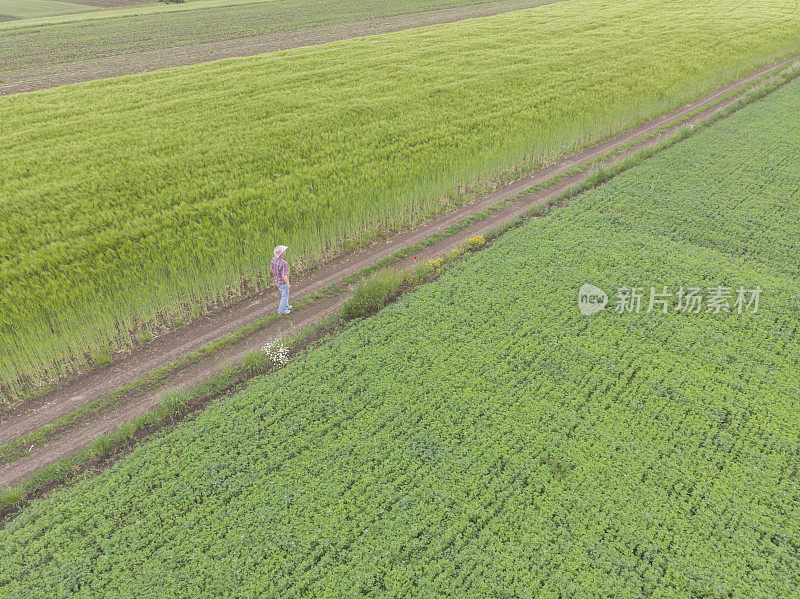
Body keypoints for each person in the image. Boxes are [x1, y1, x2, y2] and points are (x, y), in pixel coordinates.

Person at [270, 245, 293, 314]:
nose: (285, 251)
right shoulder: (284, 263)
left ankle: (286, 306)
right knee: (284, 296)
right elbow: (284, 275)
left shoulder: (273, 259)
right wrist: (288, 284)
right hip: (283, 283)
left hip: (277, 281)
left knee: (284, 294)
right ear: (282, 253)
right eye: (284, 250)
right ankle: (281, 311)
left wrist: (276, 275)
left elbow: (271, 268)